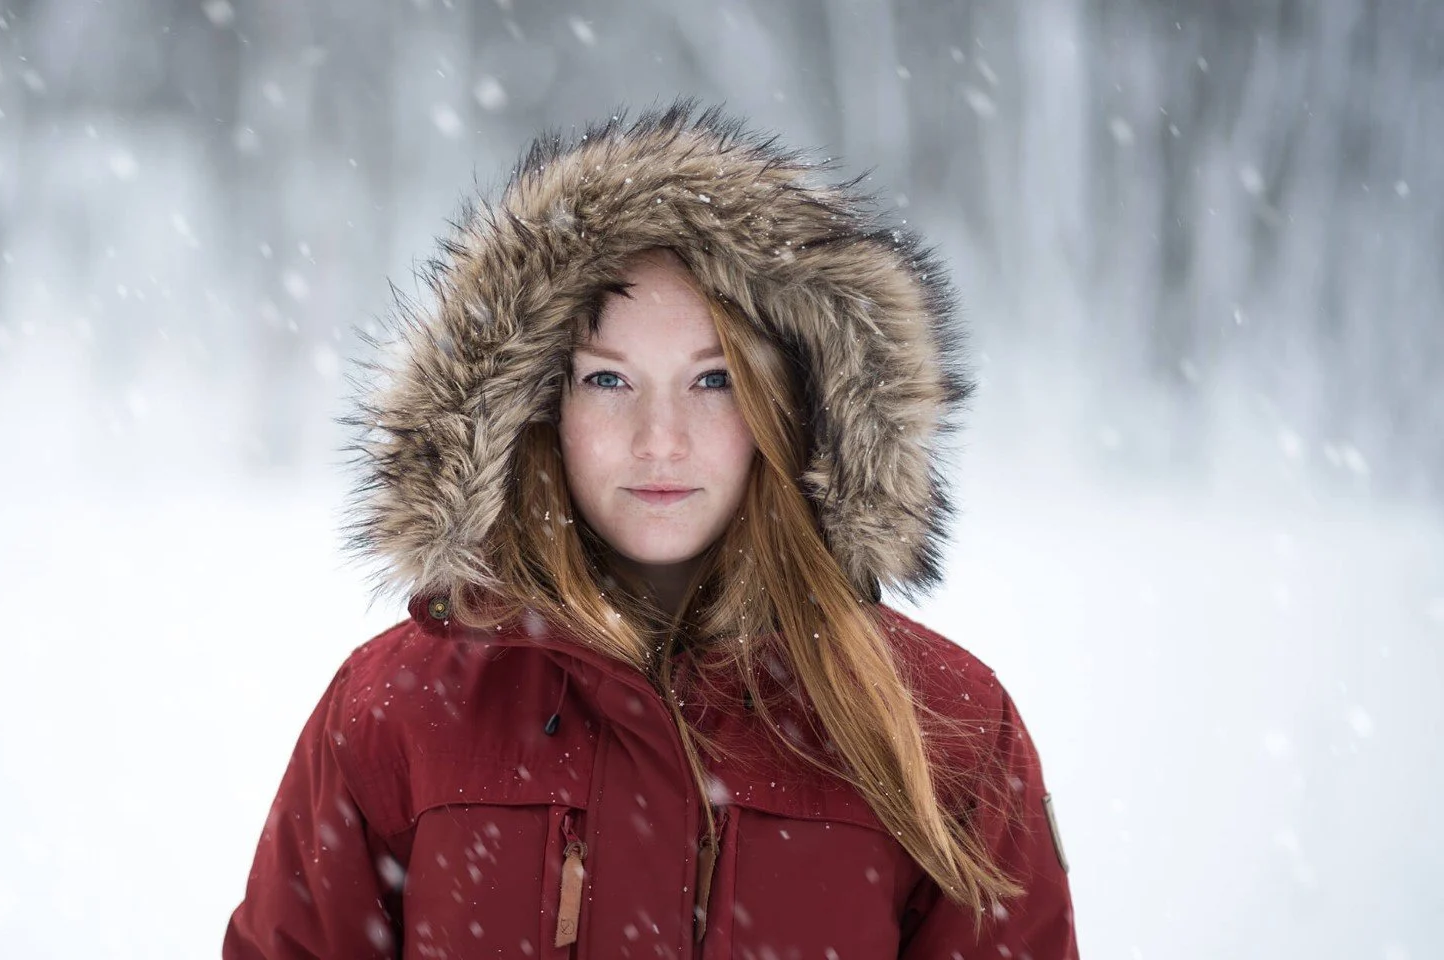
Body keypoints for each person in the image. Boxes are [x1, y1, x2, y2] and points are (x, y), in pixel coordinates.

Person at [224, 100, 1078, 959]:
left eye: (712, 381)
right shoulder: (397, 715)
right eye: (607, 381)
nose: (660, 439)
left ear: (792, 407)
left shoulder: (942, 731)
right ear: (536, 407)